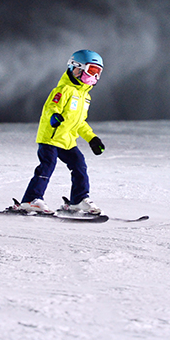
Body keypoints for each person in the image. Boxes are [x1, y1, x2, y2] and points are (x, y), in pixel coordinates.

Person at [17, 49, 106, 215]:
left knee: (79, 165)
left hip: (67, 140)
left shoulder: (85, 97)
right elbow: (51, 108)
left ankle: (78, 200)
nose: (93, 77)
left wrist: (92, 138)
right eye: (91, 71)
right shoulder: (63, 90)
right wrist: (54, 117)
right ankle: (31, 200)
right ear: (77, 68)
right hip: (51, 138)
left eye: (97, 72)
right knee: (47, 166)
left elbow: (80, 123)